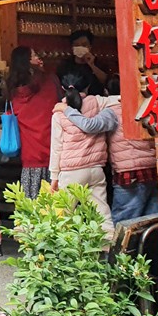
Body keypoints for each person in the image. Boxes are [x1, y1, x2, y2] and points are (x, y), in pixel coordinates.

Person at [57, 75, 158, 223]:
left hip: (129, 172)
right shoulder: (143, 106)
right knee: (152, 217)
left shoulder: (112, 112)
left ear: (106, 91)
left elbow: (89, 126)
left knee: (123, 220)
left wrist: (67, 110)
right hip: (152, 168)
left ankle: (122, 247)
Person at [49, 69, 113, 237]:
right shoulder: (97, 102)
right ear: (89, 85)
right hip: (96, 169)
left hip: (71, 172)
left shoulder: (59, 112)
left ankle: (66, 257)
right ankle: (110, 253)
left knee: (63, 217)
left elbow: (56, 147)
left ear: (63, 89)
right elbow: (119, 98)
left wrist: (54, 176)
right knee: (102, 216)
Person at [4, 46, 61, 198]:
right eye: (35, 56)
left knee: (32, 210)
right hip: (54, 154)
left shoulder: (13, 93)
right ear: (27, 62)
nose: (39, 58)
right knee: (58, 210)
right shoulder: (50, 82)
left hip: (30, 158)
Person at [58, 29, 108, 96]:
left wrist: (92, 65)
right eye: (76, 45)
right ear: (72, 47)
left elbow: (105, 81)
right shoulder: (65, 65)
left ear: (90, 47)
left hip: (95, 102)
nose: (80, 47)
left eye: (84, 45)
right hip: (73, 102)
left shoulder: (98, 63)